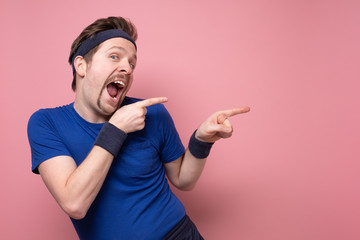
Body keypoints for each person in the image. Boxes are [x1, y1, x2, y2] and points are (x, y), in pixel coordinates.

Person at [27, 16, 250, 240]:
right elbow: (74, 203)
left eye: (132, 63)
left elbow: (184, 179)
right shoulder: (46, 123)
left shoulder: (151, 114)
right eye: (115, 56)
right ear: (81, 65)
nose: (127, 68)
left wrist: (202, 140)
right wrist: (116, 130)